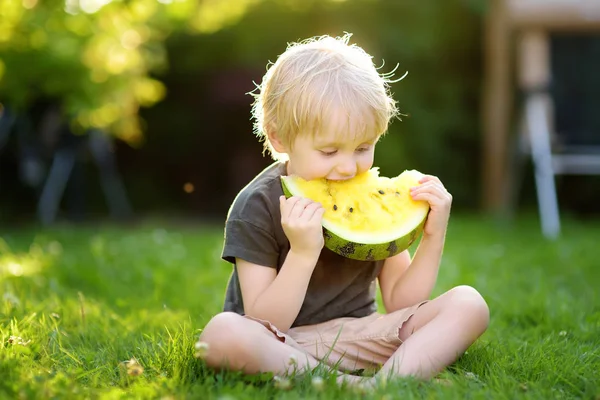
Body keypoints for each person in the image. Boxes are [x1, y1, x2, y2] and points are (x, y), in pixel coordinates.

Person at [198, 33, 489, 388]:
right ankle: (366, 385)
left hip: (359, 337)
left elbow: (401, 302)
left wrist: (432, 236)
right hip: (282, 344)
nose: (348, 168)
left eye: (363, 148)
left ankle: (382, 385)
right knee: (221, 334)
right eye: (330, 152)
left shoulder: (373, 200)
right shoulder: (256, 205)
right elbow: (266, 320)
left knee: (469, 304)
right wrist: (303, 253)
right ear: (279, 139)